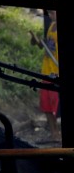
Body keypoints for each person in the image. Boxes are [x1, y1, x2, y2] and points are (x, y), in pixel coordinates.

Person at [33, 8, 60, 140]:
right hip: (46, 71)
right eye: (48, 13)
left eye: (52, 12)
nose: (50, 15)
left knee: (57, 105)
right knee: (46, 105)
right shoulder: (51, 26)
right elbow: (45, 46)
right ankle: (54, 132)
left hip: (57, 73)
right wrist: (36, 41)